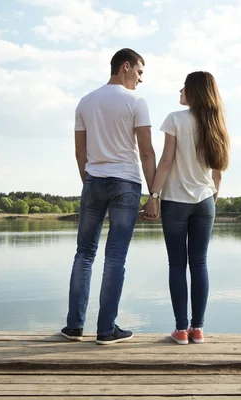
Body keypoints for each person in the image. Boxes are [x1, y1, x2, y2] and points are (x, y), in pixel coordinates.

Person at [61, 48, 158, 345]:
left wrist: (89, 180)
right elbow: (146, 151)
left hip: (93, 181)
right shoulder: (136, 102)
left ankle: (74, 327)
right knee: (115, 256)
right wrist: (154, 194)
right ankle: (106, 330)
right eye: (139, 72)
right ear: (125, 66)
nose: (141, 79)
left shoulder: (85, 102)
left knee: (84, 254)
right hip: (126, 184)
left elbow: (80, 151)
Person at [142, 71, 229, 345]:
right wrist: (212, 198)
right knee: (200, 263)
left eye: (184, 86)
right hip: (205, 200)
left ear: (194, 92)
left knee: (178, 264)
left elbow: (166, 161)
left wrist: (153, 195)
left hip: (175, 202)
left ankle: (181, 330)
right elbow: (218, 171)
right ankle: (198, 329)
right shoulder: (216, 124)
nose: (180, 90)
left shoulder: (175, 120)